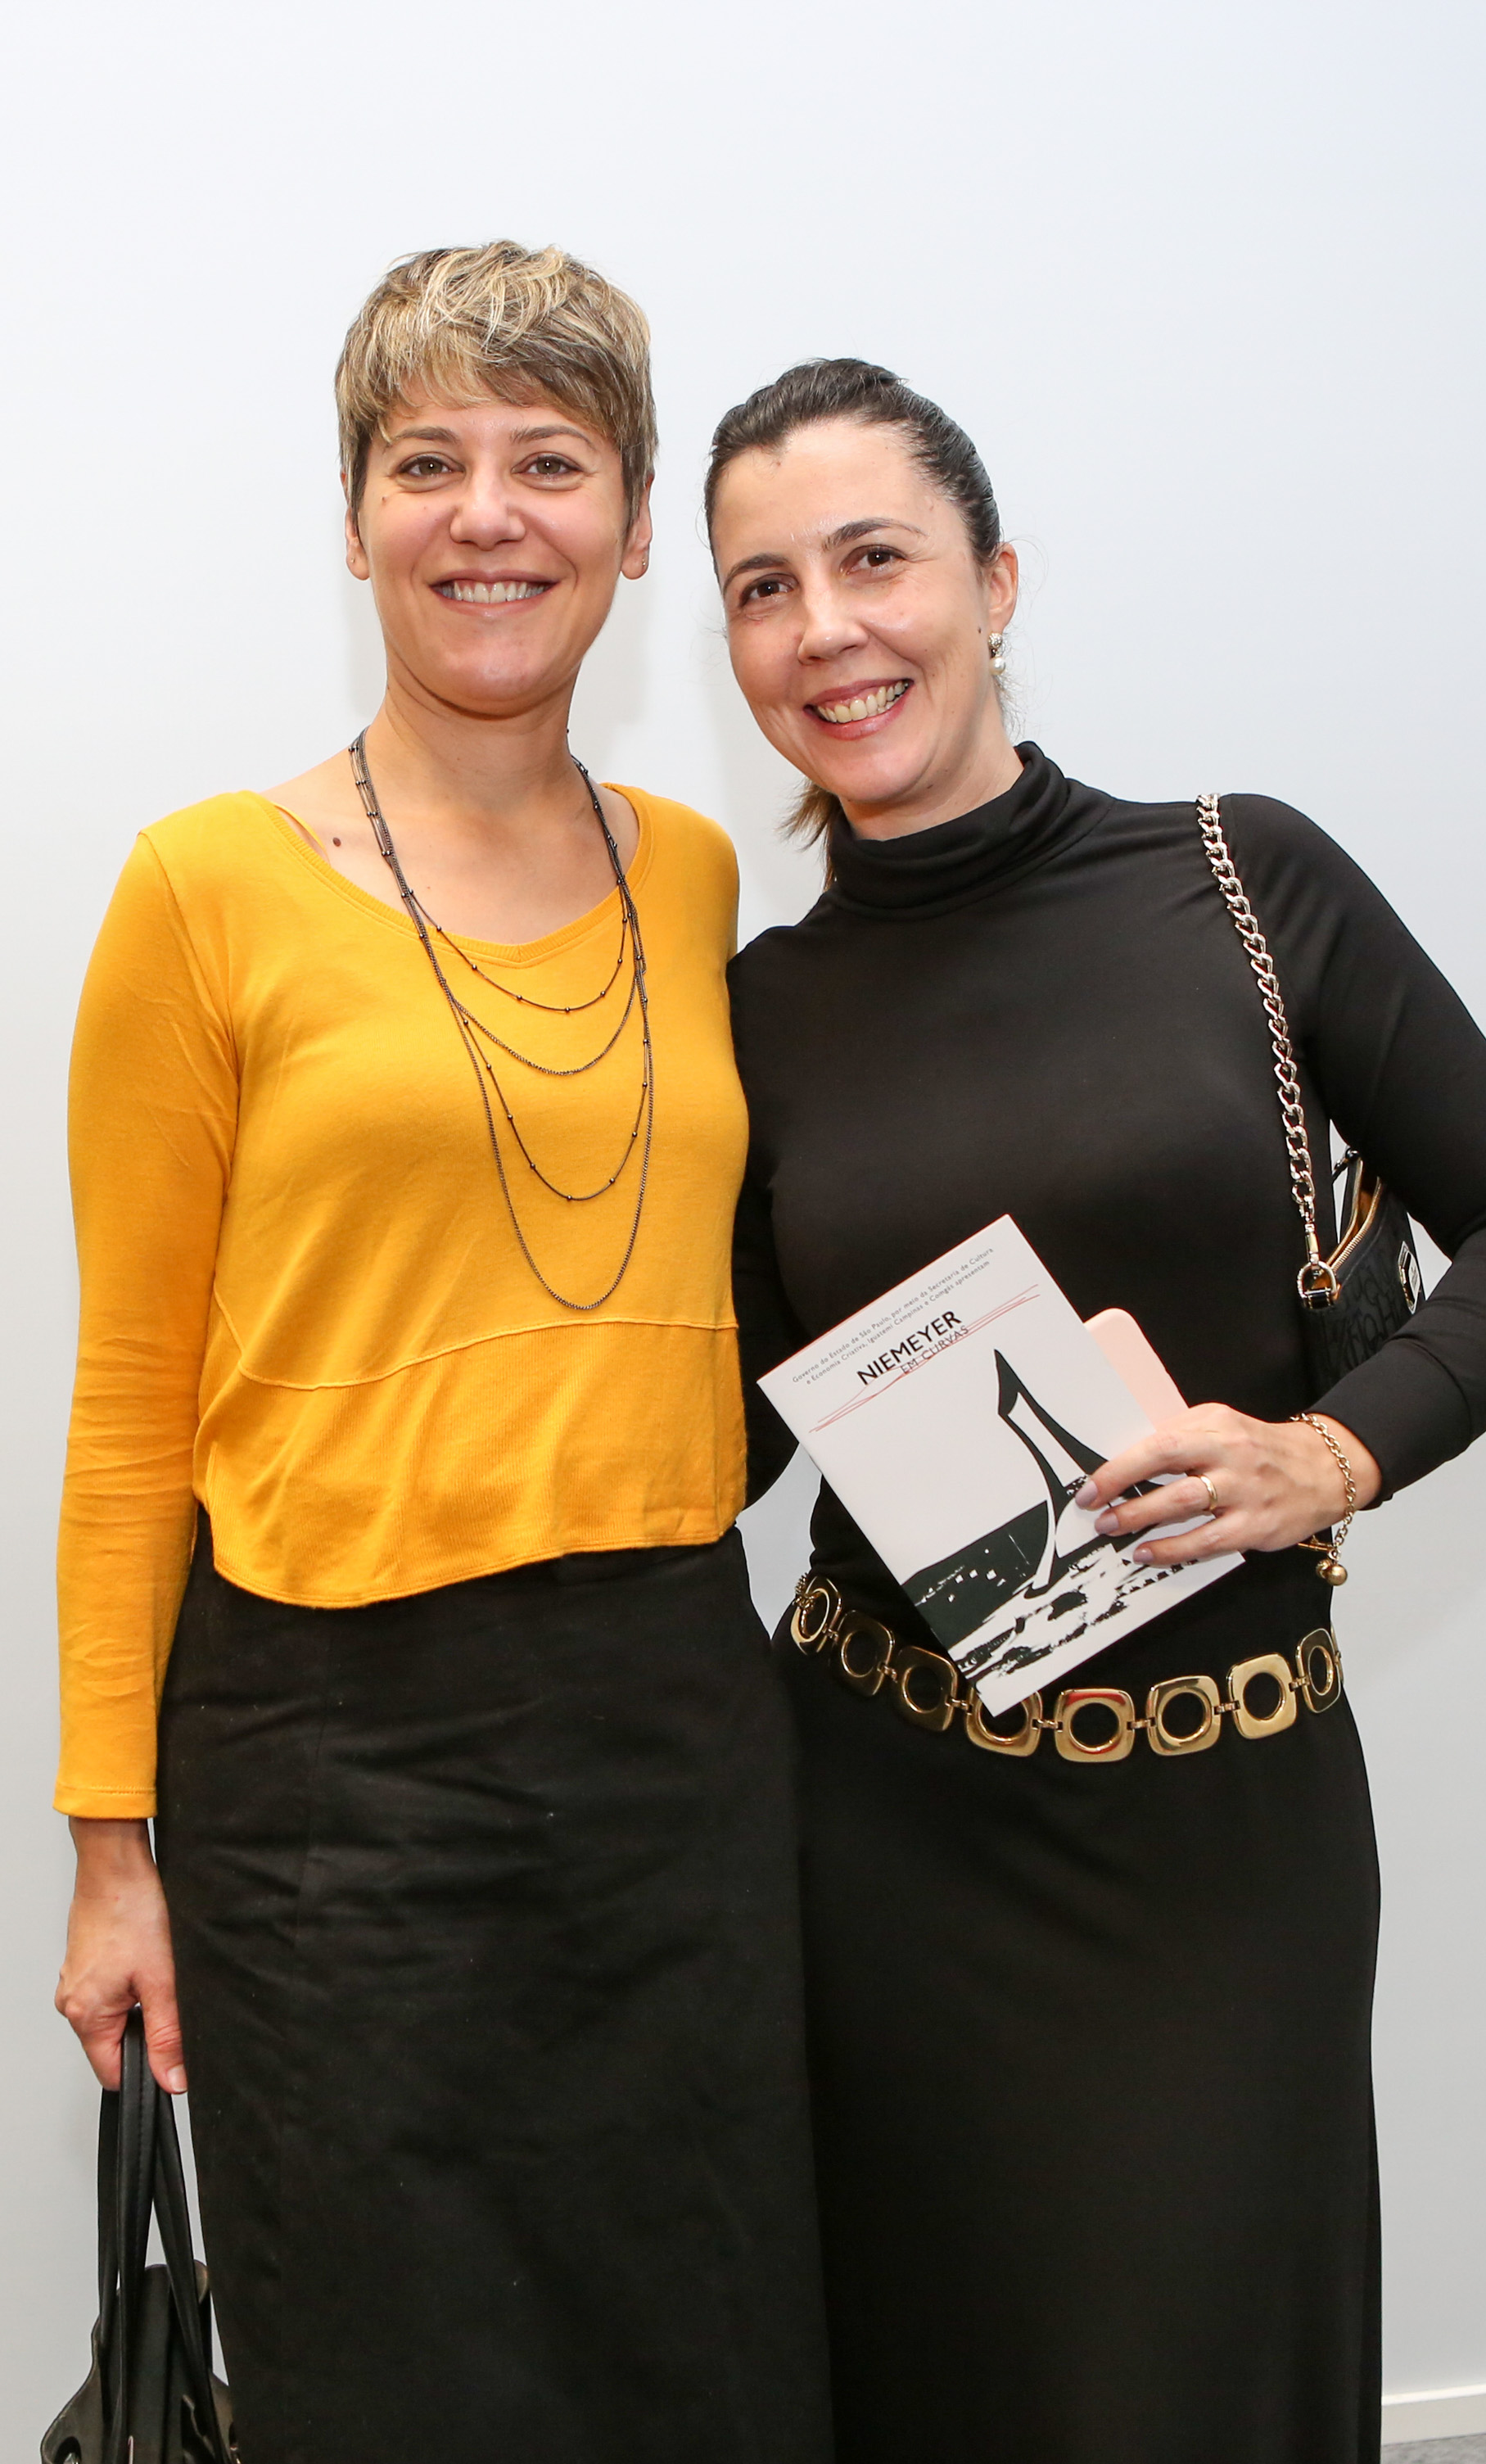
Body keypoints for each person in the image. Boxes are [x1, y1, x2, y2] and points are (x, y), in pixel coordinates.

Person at [707, 357, 1486, 2464]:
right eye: (763, 587)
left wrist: (1335, 1450)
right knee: (918, 2374)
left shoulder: (1240, 877)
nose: (827, 627)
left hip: (1224, 1828)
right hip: (877, 1823)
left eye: (874, 558)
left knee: (1192, 2380)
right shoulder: (755, 1010)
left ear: (995, 579)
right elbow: (722, 1431)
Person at [52, 245, 831, 2464]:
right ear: (354, 517)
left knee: (701, 2342)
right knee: (391, 2372)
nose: (488, 513)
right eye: (427, 462)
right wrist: (111, 1851)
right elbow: (129, 1404)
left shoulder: (694, 873)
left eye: (549, 462)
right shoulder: (203, 885)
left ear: (634, 525)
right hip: (330, 1768)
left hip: (671, 1726)